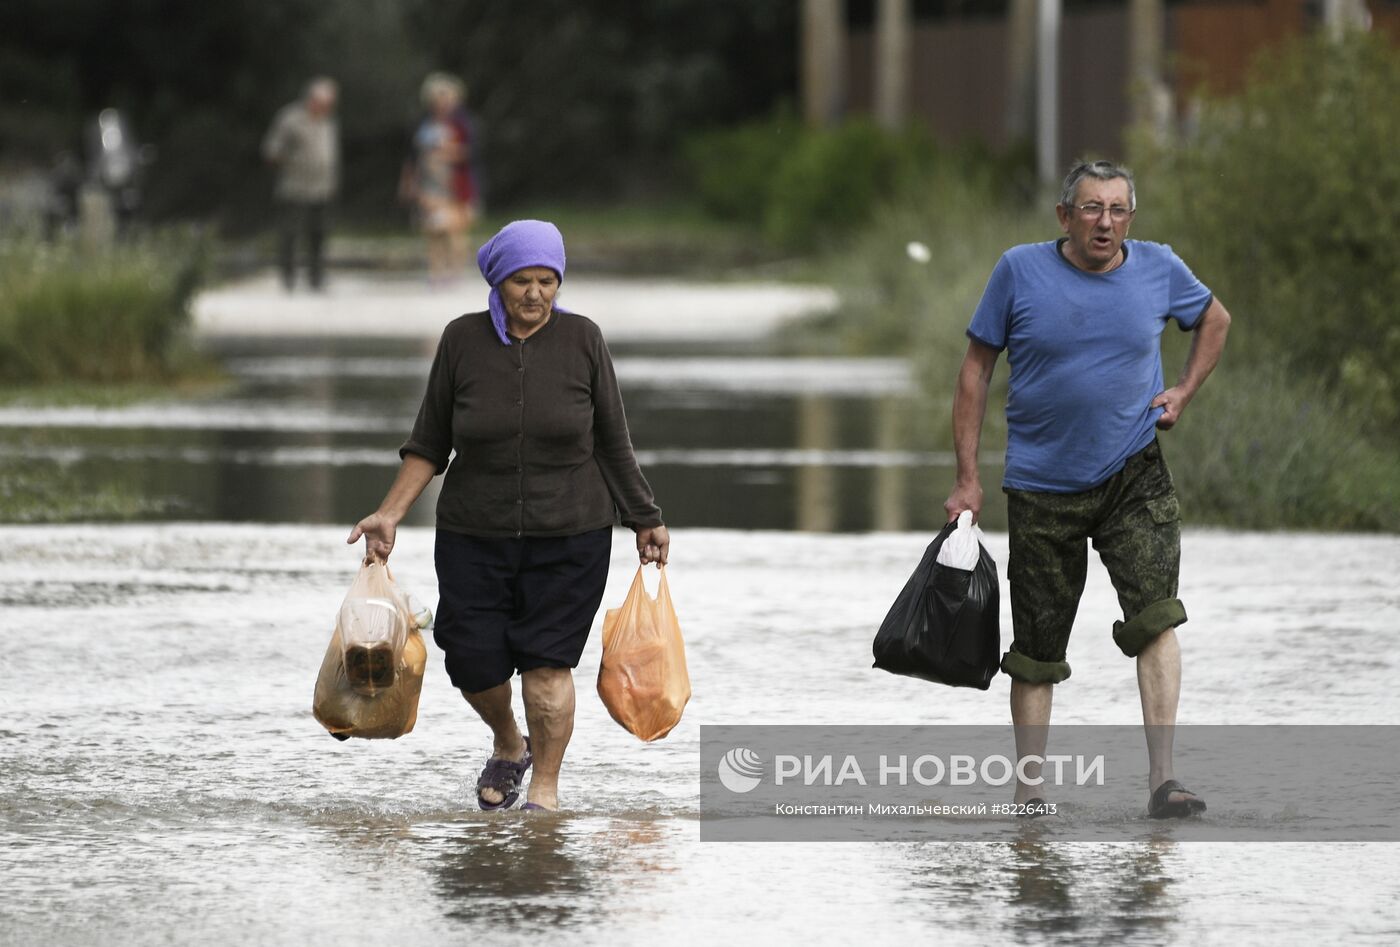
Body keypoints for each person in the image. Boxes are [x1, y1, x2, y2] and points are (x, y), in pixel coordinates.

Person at [348, 219, 669, 812]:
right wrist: (388, 514)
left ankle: (543, 793)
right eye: (522, 280)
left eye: (548, 281)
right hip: (475, 532)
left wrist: (644, 517)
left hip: (571, 534)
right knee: (471, 657)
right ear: (498, 281)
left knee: (548, 669)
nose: (536, 293)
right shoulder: (462, 341)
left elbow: (613, 442)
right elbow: (428, 442)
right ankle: (507, 740)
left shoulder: (583, 341)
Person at [943, 160, 1231, 819]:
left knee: (1156, 615)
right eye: (1092, 208)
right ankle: (1030, 793)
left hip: (1135, 474)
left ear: (1132, 216)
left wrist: (1183, 391)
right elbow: (974, 373)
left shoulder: (1159, 267)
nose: (1106, 222)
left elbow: (1215, 320)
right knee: (1037, 649)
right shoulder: (1019, 270)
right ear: (1064, 215)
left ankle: (1164, 780)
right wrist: (967, 477)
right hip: (1042, 487)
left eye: (1118, 209)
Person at [399, 73, 478, 285]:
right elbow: (412, 156)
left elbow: (471, 153)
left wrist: (444, 153)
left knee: (455, 231)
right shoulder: (422, 125)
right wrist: (408, 182)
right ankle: (436, 271)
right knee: (432, 231)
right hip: (429, 187)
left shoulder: (463, 125)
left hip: (455, 187)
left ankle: (455, 271)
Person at [262, 77, 339, 291]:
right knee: (290, 234)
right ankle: (287, 277)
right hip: (294, 187)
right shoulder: (290, 118)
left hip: (322, 187)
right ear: (311, 99)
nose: (327, 108)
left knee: (319, 234)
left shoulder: (328, 121)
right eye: (324, 103)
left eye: (329, 104)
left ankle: (316, 277)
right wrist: (290, 160)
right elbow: (272, 150)